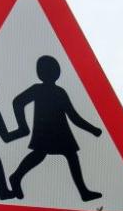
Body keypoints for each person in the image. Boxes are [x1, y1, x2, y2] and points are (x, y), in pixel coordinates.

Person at [9, 55, 103, 201]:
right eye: (49, 70)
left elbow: (73, 116)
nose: (52, 73)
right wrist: (22, 125)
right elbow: (17, 102)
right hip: (46, 131)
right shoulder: (38, 89)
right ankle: (16, 177)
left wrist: (92, 129)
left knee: (68, 156)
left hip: (61, 132)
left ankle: (83, 192)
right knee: (41, 155)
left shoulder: (60, 92)